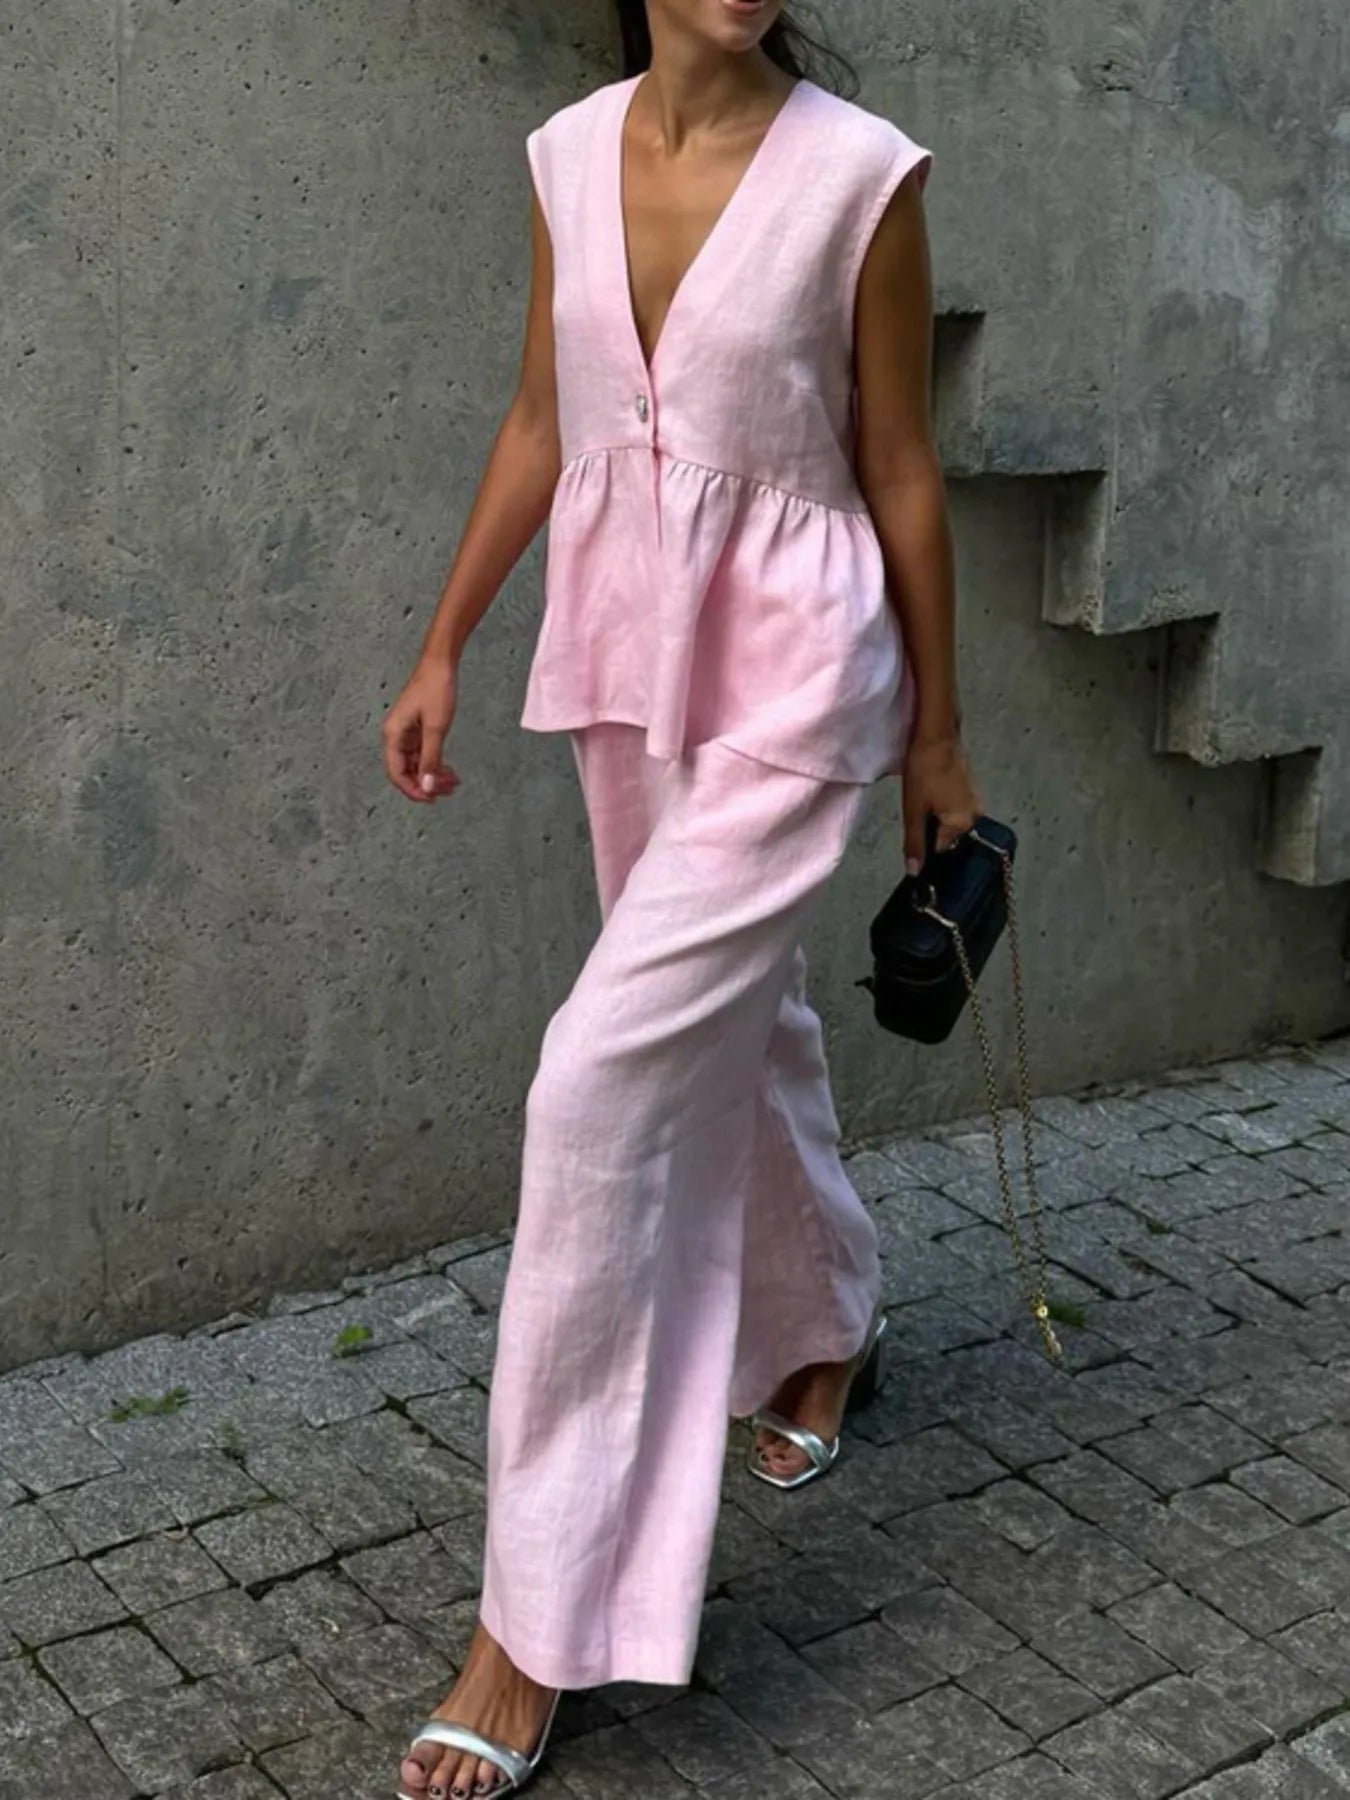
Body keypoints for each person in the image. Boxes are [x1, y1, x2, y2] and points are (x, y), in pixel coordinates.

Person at [383, 3, 980, 1794]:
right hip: (631, 664)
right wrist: (440, 640)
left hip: (799, 689)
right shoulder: (567, 154)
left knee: (597, 1092)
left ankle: (532, 1626)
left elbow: (897, 471)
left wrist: (934, 745)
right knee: (742, 1022)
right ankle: (827, 1322)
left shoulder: (858, 179)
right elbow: (541, 416)